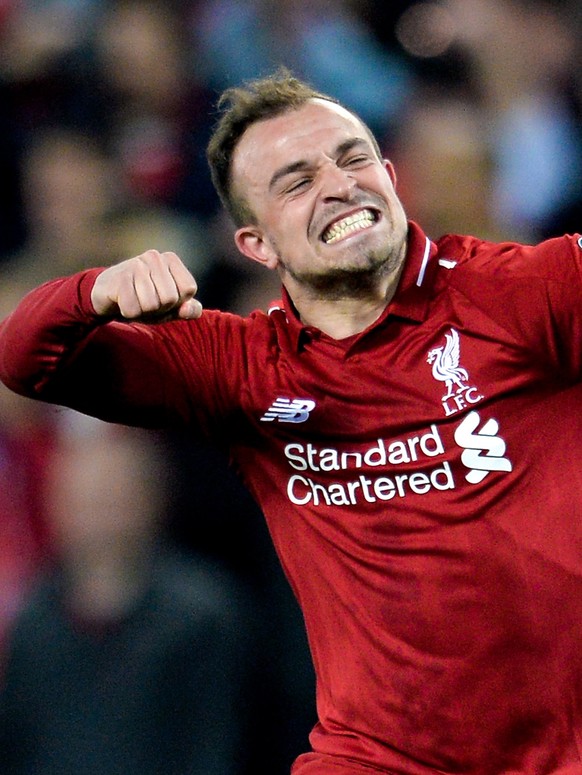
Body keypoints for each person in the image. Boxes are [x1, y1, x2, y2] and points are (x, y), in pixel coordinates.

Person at [1, 69, 582, 775]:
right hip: (374, 760)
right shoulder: (240, 367)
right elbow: (27, 359)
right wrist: (92, 289)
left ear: (393, 178)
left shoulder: (521, 291)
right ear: (256, 244)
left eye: (353, 156)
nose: (339, 184)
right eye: (296, 180)